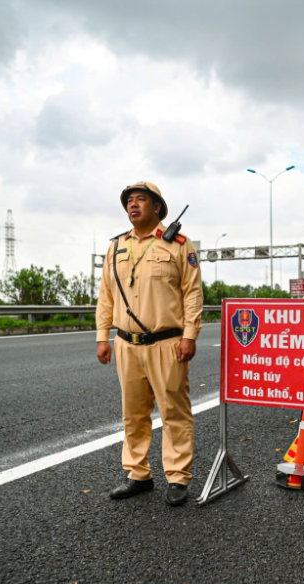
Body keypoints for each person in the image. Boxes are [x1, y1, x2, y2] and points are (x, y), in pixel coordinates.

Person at [96, 181, 203, 507]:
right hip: (127, 344)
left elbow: (193, 293)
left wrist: (189, 335)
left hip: (167, 344)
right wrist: (103, 337)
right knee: (133, 414)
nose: (133, 204)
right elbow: (106, 297)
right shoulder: (116, 247)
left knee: (174, 412)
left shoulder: (179, 245)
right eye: (129, 200)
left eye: (141, 199)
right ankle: (138, 474)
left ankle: (178, 477)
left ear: (157, 207)